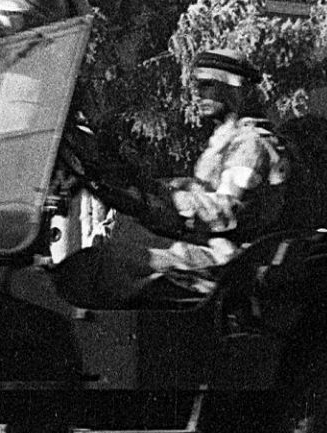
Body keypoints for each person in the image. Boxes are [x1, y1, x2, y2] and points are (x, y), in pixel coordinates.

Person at [58, 48, 289, 304]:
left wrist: (159, 201)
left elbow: (226, 213)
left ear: (235, 88)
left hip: (226, 263)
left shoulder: (251, 143)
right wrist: (153, 189)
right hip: (210, 252)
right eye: (197, 85)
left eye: (207, 85)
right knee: (111, 248)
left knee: (99, 267)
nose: (198, 93)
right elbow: (204, 191)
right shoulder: (226, 139)